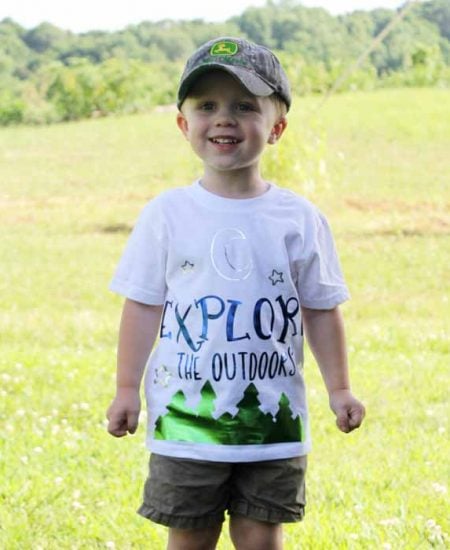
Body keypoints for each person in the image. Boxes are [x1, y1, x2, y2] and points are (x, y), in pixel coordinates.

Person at [106, 37, 365, 550]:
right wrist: (125, 388)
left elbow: (321, 309)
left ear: (277, 129)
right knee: (190, 538)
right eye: (207, 106)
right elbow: (142, 306)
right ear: (184, 126)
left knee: (262, 539)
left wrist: (339, 389)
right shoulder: (167, 214)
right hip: (187, 424)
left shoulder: (299, 219)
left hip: (271, 426)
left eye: (244, 106)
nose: (224, 118)